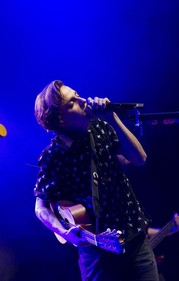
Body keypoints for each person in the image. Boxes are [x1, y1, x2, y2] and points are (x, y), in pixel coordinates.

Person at [33, 80, 159, 280]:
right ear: (61, 119)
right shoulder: (54, 155)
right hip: (98, 253)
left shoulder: (100, 127)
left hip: (135, 239)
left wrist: (113, 117)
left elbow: (140, 159)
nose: (82, 100)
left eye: (78, 94)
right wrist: (64, 233)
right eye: (72, 102)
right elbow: (40, 207)